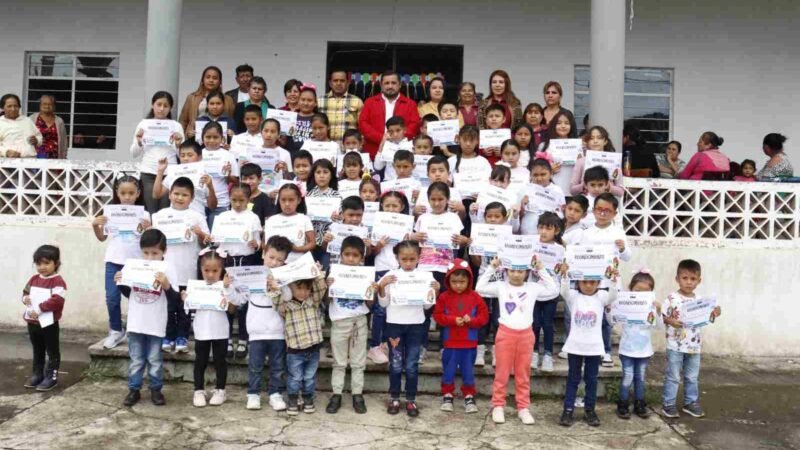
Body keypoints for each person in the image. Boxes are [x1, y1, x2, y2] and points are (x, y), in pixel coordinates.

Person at [476, 254, 558, 425]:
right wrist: (492, 267)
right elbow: (480, 287)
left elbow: (553, 290)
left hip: (526, 335)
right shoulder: (500, 286)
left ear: (527, 272)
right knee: (502, 372)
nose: (516, 274)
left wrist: (541, 269)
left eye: (521, 271)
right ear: (506, 270)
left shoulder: (533, 288)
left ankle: (523, 407)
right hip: (505, 334)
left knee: (523, 374)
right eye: (512, 270)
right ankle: (498, 405)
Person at [115, 229, 178, 407]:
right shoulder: (133, 265)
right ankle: (133, 389)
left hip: (156, 323)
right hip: (136, 321)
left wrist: (166, 285)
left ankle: (156, 389)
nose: (150, 257)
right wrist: (120, 282)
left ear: (164, 252)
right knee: (136, 358)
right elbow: (130, 293)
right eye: (146, 253)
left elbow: (174, 300)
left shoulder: (168, 268)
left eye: (155, 253)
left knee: (154, 359)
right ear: (141, 251)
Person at [378, 240, 441, 417]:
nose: (407, 263)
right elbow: (384, 303)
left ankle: (411, 400)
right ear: (397, 258)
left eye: (411, 259)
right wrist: (382, 287)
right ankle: (395, 397)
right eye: (403, 259)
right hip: (394, 325)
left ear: (418, 258)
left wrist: (435, 291)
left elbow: (428, 307)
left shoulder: (426, 277)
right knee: (396, 364)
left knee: (412, 365)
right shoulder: (390, 276)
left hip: (416, 326)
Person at [151, 177, 212, 352]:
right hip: (166, 269)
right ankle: (168, 336)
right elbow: (154, 242)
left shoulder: (197, 217)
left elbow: (206, 245)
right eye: (176, 193)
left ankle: (182, 338)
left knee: (184, 306)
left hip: (188, 268)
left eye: (184, 195)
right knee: (168, 307)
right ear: (169, 194)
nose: (179, 197)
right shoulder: (159, 216)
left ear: (192, 198)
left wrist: (201, 234)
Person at [91, 175, 151, 349]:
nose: (127, 197)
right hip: (113, 260)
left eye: (131, 193)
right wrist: (96, 225)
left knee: (137, 297)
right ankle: (116, 330)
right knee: (112, 298)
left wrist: (149, 228)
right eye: (123, 193)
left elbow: (149, 241)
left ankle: (137, 329)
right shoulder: (110, 212)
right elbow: (102, 237)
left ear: (138, 193)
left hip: (135, 262)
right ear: (117, 193)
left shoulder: (144, 214)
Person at [558, 263, 618, 428]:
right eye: (584, 282)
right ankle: (568, 410)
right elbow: (563, 290)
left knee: (591, 380)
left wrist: (613, 278)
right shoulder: (573, 297)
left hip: (594, 348)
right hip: (575, 347)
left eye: (593, 282)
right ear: (578, 283)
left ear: (599, 283)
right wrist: (564, 275)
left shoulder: (601, 298)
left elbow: (613, 295)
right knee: (573, 379)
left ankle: (590, 410)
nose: (589, 285)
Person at [661, 259, 722, 419]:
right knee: (673, 376)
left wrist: (715, 312)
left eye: (693, 279)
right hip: (675, 345)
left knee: (692, 377)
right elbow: (662, 316)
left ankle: (690, 403)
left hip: (694, 346)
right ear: (677, 279)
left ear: (699, 280)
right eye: (685, 278)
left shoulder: (701, 300)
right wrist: (670, 321)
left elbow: (708, 318)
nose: (688, 282)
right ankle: (668, 404)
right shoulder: (671, 298)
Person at [184, 247, 243, 407]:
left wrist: (227, 290)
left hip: (221, 330)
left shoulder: (226, 286)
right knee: (200, 360)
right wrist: (186, 299)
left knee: (220, 361)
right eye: (206, 270)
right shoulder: (196, 287)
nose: (210, 274)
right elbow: (190, 307)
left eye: (215, 270)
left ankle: (220, 390)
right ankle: (198, 390)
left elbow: (233, 308)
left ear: (222, 269)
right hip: (201, 329)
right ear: (201, 269)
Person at [325, 236, 376, 414]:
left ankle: (357, 394)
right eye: (347, 255)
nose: (351, 259)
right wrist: (328, 287)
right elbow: (327, 301)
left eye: (355, 255)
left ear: (362, 257)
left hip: (359, 321)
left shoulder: (366, 276)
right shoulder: (334, 273)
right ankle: (336, 393)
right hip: (339, 321)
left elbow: (370, 306)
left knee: (358, 362)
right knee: (339, 362)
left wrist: (371, 292)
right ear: (340, 255)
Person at [433, 259, 488, 414]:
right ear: (448, 280)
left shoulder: (475, 297)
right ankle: (447, 395)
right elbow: (437, 315)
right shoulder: (444, 297)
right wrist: (451, 320)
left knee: (468, 371)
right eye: (454, 281)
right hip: (450, 343)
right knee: (448, 370)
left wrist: (472, 321)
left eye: (462, 281)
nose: (458, 285)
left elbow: (484, 316)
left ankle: (469, 396)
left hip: (469, 344)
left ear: (469, 280)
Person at [245, 236, 293, 412]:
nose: (274, 262)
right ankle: (253, 394)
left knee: (278, 366)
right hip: (257, 331)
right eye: (271, 257)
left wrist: (277, 287)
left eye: (279, 260)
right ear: (263, 254)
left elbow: (288, 298)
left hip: (277, 332)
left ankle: (275, 394)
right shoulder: (252, 276)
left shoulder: (284, 279)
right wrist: (228, 287)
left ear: (284, 262)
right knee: (255, 366)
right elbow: (239, 298)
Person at [274, 267, 328, 415]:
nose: (303, 292)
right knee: (295, 377)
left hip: (313, 349)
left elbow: (321, 287)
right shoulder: (286, 306)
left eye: (306, 288)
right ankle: (292, 399)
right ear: (290, 287)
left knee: (309, 377)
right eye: (299, 288)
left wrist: (316, 272)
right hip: (295, 351)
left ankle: (308, 398)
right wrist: (273, 285)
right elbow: (275, 296)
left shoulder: (313, 301)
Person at [611, 270, 661, 420]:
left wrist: (658, 311)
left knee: (640, 377)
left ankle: (640, 404)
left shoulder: (651, 308)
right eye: (637, 291)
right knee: (628, 376)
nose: (640, 295)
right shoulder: (625, 304)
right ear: (630, 289)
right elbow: (612, 320)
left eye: (646, 293)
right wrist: (614, 307)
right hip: (627, 349)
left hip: (644, 351)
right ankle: (623, 404)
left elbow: (658, 326)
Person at [21, 245, 67, 392]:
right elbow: (25, 292)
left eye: (47, 263)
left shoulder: (58, 282)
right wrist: (25, 299)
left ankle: (51, 377)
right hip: (32, 322)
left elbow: (57, 300)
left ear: (56, 263)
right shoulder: (34, 279)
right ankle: (37, 374)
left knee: (52, 350)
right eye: (39, 263)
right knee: (37, 349)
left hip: (49, 323)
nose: (42, 267)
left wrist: (40, 309)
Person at [130, 91, 184, 214]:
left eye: (166, 106)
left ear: (170, 108)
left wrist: (178, 143)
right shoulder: (144, 124)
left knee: (165, 210)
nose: (161, 109)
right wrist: (139, 141)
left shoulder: (176, 126)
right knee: (150, 210)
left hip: (169, 172)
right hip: (148, 172)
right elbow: (134, 153)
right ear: (152, 105)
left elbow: (182, 154)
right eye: (158, 104)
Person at [358, 70, 421, 160]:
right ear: (381, 85)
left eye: (393, 83)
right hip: (374, 152)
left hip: (402, 154)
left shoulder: (410, 104)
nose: (390, 86)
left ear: (399, 85)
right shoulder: (370, 102)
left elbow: (414, 125)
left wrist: (397, 138)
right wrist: (382, 138)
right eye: (386, 83)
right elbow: (363, 124)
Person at [153, 140, 216, 218]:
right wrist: (160, 171)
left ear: (200, 157)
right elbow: (156, 195)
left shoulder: (205, 176)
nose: (186, 158)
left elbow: (212, 206)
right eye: (182, 155)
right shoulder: (174, 173)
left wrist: (210, 187)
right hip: (175, 218)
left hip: (197, 217)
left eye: (190, 155)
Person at [178, 66, 235, 131]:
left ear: (220, 82)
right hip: (194, 136)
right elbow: (183, 120)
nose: (211, 80)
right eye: (208, 77)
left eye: (215, 78)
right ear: (202, 80)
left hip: (220, 137)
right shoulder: (191, 98)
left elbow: (231, 120)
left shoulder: (228, 99)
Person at [318, 70, 364, 142]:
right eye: (335, 81)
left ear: (348, 83)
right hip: (325, 147)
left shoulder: (357, 101)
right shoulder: (320, 101)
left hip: (348, 148)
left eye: (342, 81)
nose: (338, 83)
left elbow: (362, 128)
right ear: (330, 83)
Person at [0, 93, 42, 158]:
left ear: (19, 107)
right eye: (9, 106)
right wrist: (6, 152)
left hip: (29, 162)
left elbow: (39, 137)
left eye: (15, 106)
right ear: (2, 108)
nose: (13, 109)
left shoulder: (27, 121)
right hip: (7, 163)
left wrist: (36, 140)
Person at [29, 95, 68, 159]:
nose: (47, 106)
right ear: (40, 105)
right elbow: (26, 137)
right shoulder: (32, 118)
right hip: (36, 158)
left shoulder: (59, 121)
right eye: (44, 104)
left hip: (55, 158)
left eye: (50, 104)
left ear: (54, 106)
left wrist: (63, 157)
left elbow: (64, 141)